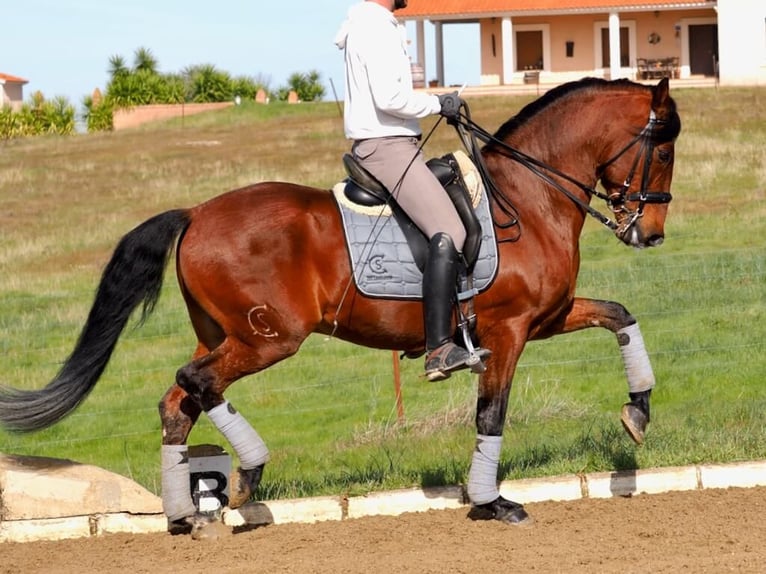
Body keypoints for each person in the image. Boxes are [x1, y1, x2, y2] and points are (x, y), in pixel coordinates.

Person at [334, 0, 489, 381]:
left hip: (391, 143)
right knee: (450, 231)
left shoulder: (369, 24)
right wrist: (439, 102)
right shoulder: (377, 28)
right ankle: (438, 348)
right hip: (387, 146)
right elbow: (390, 99)